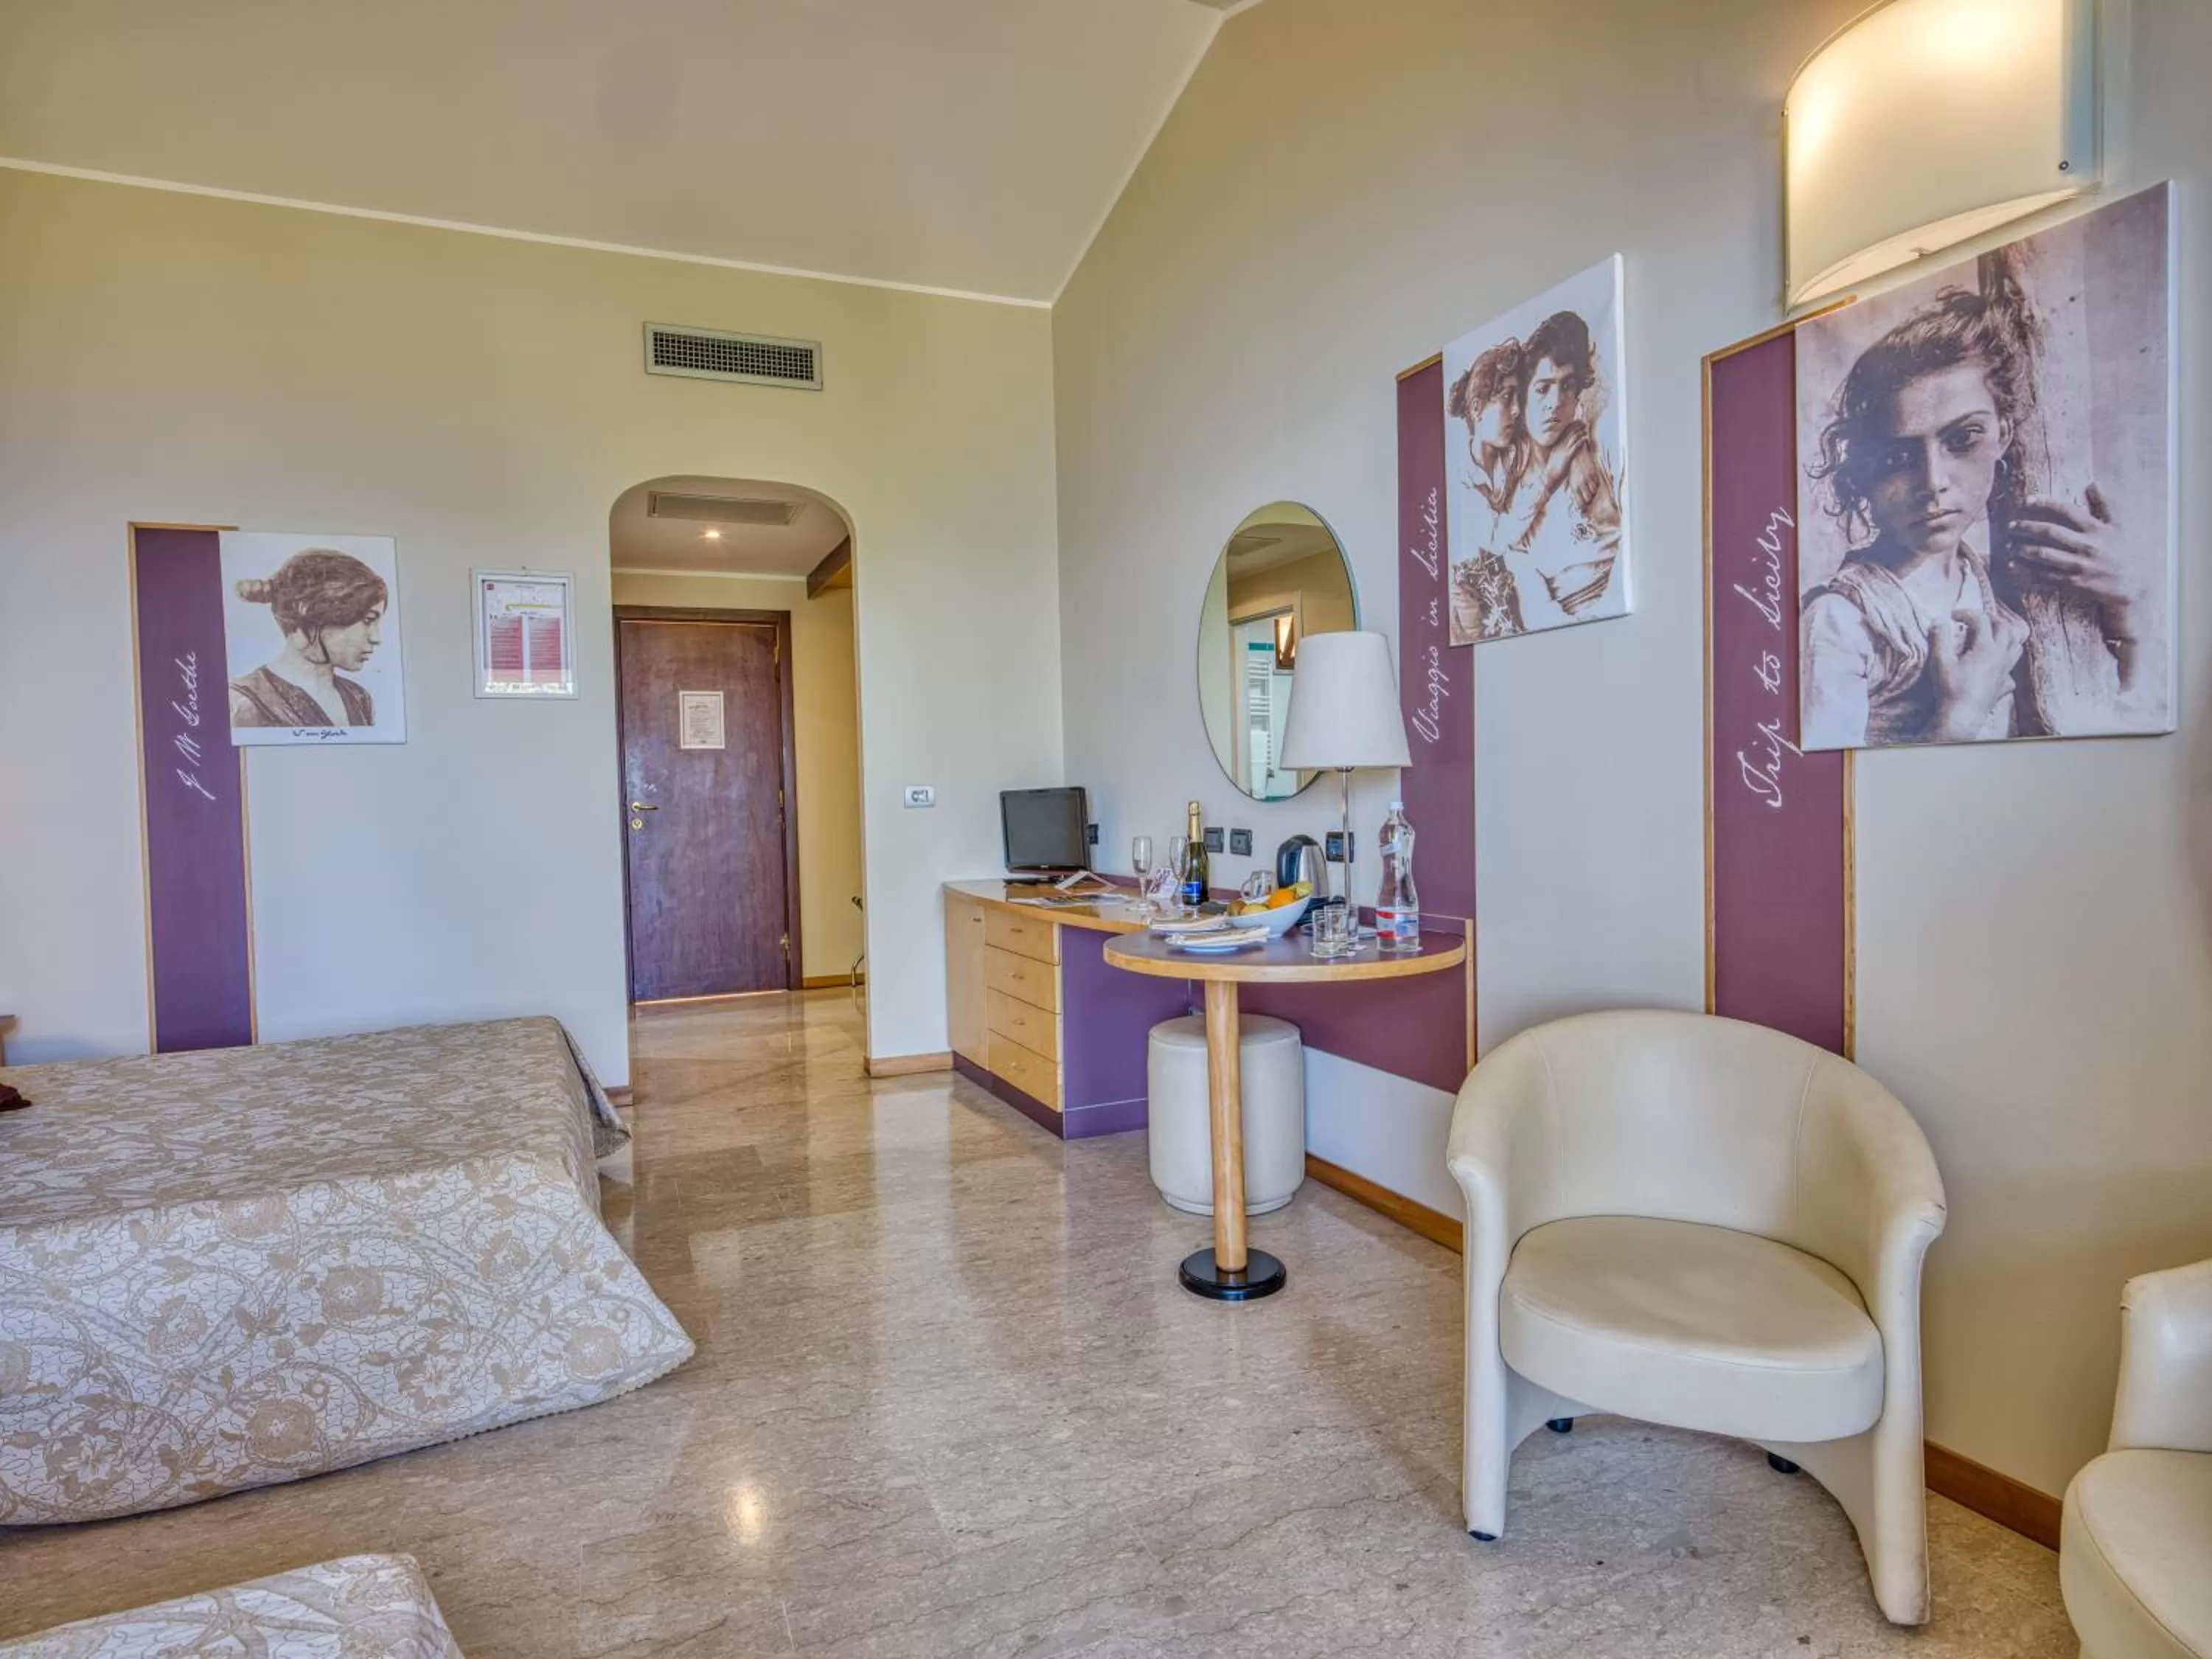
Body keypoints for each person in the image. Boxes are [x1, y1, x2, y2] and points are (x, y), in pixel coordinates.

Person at [1801, 268, 2139, 749]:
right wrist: (1958, 717)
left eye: (1963, 439)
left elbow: (2123, 723)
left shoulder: (2004, 584)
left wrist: (2129, 604)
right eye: (1898, 458)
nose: (1933, 482)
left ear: (2003, 433)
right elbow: (1818, 785)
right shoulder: (1842, 621)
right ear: (1864, 472)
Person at [1498, 310, 1624, 630]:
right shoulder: (1514, 497)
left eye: (1567, 386)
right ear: (1523, 399)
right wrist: (1550, 476)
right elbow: (1537, 610)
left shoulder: (1603, 440)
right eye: (1543, 388)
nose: (1556, 402)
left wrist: (1579, 445)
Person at [229, 549, 388, 728]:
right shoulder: (245, 702)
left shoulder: (360, 699)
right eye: (367, 621)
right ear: (310, 615)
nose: (376, 638)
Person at [1447, 340, 1531, 639]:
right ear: (1476, 408)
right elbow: (1498, 539)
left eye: (1519, 398)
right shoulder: (1459, 483)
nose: (1517, 410)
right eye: (1507, 397)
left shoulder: (1523, 453)